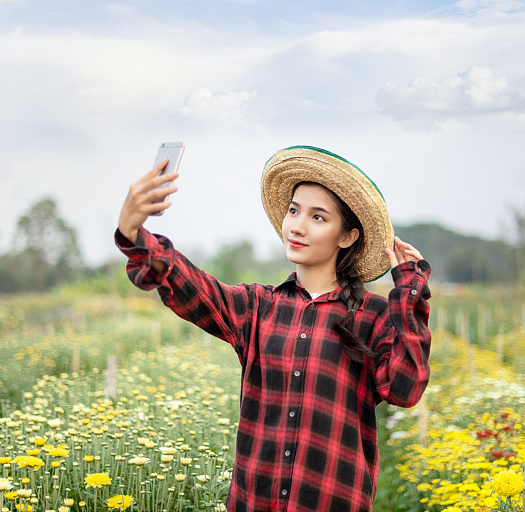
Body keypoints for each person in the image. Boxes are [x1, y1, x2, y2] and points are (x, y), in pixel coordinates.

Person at [115, 145, 432, 512]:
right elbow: (192, 285)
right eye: (294, 211)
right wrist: (133, 233)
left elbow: (406, 389)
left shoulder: (373, 316)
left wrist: (409, 292)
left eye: (318, 217)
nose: (296, 226)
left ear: (346, 236)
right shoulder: (257, 307)